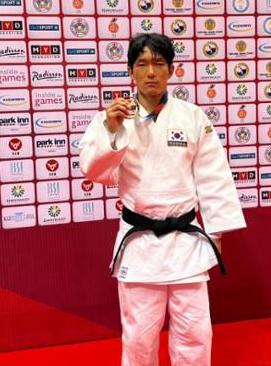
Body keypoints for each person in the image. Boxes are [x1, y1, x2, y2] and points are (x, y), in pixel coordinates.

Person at [79, 33, 246, 366]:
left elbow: (213, 176)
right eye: (142, 64)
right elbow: (96, 172)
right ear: (131, 71)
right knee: (139, 337)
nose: (151, 72)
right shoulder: (112, 118)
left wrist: (216, 233)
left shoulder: (192, 117)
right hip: (140, 244)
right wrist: (112, 130)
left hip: (186, 245)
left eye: (158, 63)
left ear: (171, 69)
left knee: (194, 335)